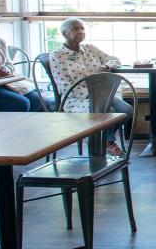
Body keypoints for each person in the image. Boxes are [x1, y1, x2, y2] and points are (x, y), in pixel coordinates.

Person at [49, 17, 132, 157]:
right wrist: (93, 95)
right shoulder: (58, 56)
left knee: (127, 110)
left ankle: (102, 139)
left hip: (102, 95)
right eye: (75, 29)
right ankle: (106, 143)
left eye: (82, 28)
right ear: (64, 33)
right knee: (108, 111)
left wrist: (106, 66)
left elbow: (115, 60)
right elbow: (65, 86)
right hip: (75, 99)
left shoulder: (90, 49)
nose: (80, 31)